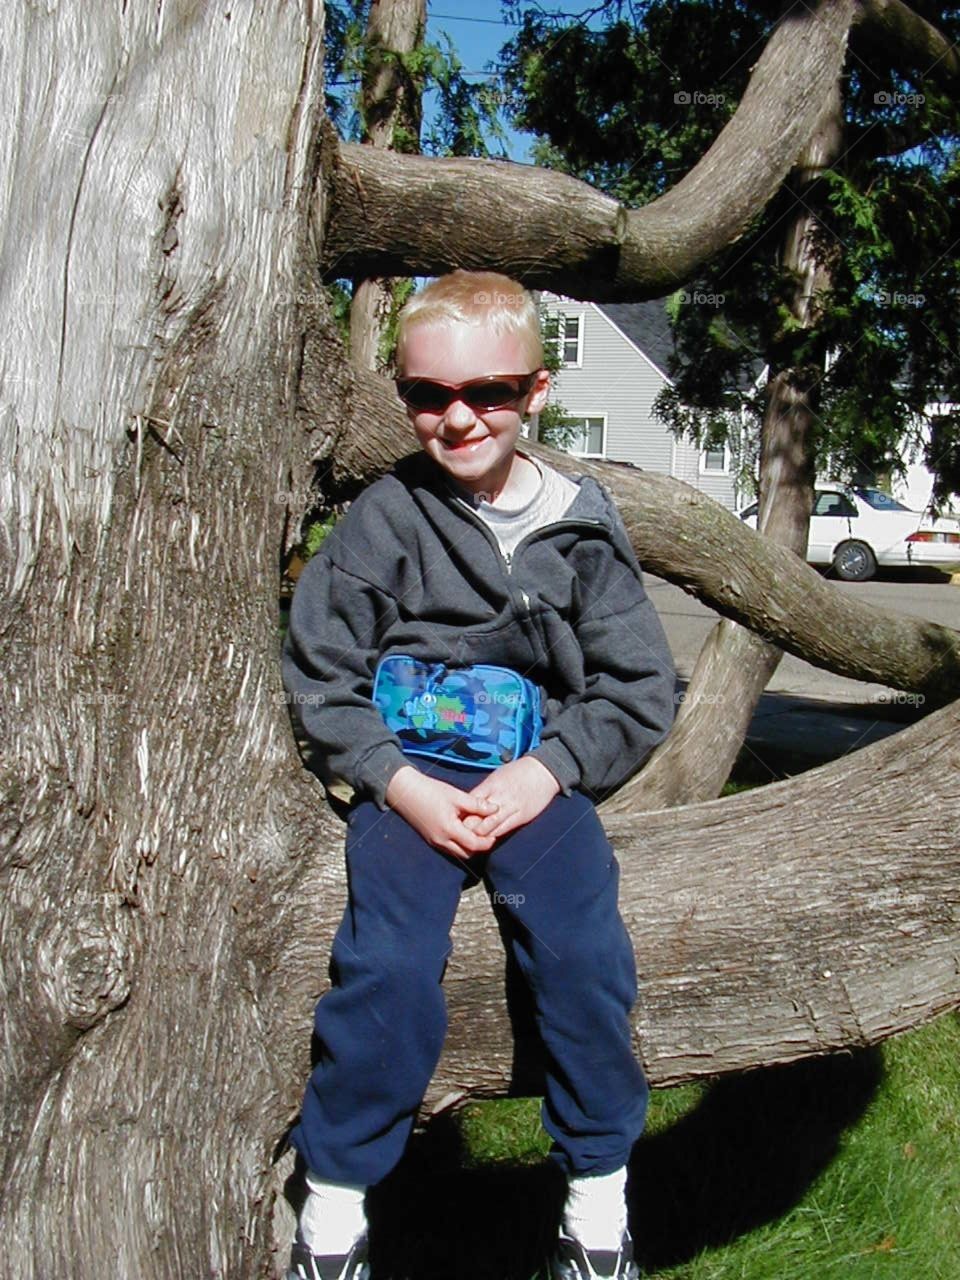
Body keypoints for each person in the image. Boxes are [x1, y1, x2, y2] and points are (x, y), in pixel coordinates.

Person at [281, 270, 677, 1280]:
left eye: (488, 392)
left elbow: (636, 686)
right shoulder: (385, 518)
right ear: (405, 393)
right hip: (408, 787)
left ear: (536, 391)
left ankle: (596, 1206)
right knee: (388, 965)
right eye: (428, 395)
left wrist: (551, 771)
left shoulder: (582, 526)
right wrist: (394, 783)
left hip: (533, 783)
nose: (458, 418)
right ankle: (333, 1216)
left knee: (585, 951)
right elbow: (322, 673)